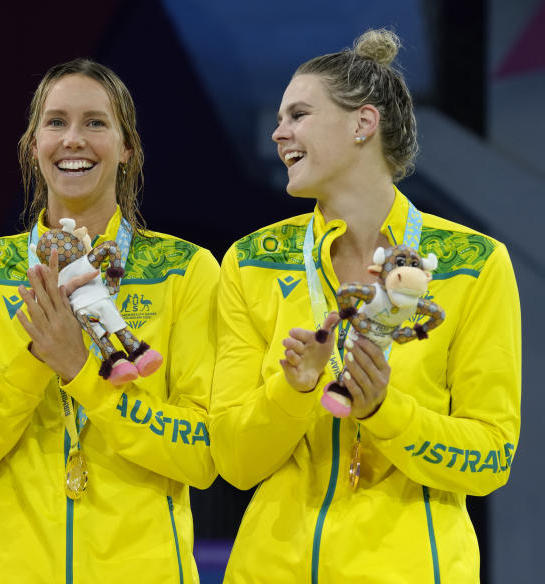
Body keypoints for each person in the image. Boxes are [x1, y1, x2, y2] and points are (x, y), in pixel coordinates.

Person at [210, 29, 521, 583]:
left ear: (363, 123)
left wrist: (384, 411)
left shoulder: (474, 263)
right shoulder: (252, 262)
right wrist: (294, 391)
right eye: (282, 119)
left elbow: (491, 457)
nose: (279, 133)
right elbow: (235, 463)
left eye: (299, 114)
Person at [0, 59, 219, 583]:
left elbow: (200, 456)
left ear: (127, 147)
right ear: (32, 144)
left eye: (95, 123)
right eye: (56, 122)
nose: (73, 140)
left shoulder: (187, 271)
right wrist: (38, 360)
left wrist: (81, 371)